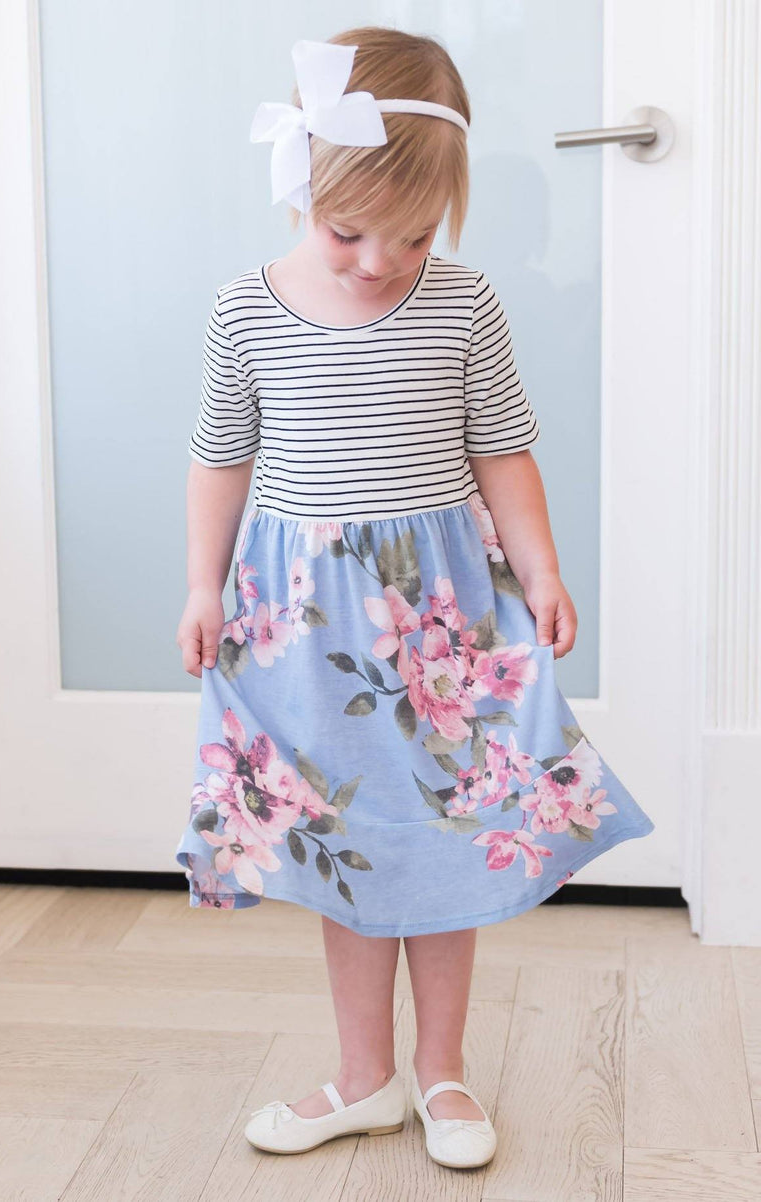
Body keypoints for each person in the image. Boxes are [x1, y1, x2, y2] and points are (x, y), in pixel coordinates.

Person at [174, 27, 655, 1170]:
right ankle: (363, 1075)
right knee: (349, 843)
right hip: (302, 628)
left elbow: (502, 451)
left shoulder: (463, 305)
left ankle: (441, 1069)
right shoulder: (245, 311)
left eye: (414, 234)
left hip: (438, 623)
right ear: (302, 182)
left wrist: (541, 567)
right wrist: (201, 585)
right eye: (348, 231)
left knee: (443, 837)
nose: (379, 260)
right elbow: (220, 460)